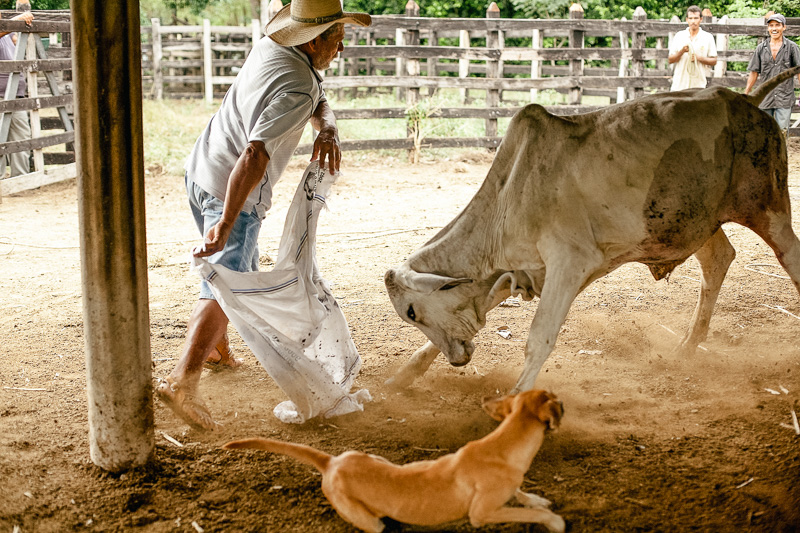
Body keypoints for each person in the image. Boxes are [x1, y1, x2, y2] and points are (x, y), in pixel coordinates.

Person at [156, 0, 371, 431]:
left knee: (234, 272)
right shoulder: (297, 86)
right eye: (337, 38)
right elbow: (255, 153)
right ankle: (182, 381)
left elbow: (319, 98)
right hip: (231, 185)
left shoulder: (271, 49)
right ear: (312, 41)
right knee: (226, 281)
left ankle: (216, 349)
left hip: (202, 167)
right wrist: (228, 221)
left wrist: (326, 125)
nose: (341, 48)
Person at [744, 13, 800, 135]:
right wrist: (746, 93)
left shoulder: (792, 48)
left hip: (784, 97)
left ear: (784, 27)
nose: (774, 28)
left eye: (777, 25)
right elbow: (754, 72)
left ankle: (781, 154)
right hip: (765, 97)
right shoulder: (760, 48)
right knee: (763, 131)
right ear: (768, 28)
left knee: (782, 132)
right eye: (771, 26)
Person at [0, 3, 34, 177]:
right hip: (0, 98)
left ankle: (21, 179)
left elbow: (17, 38)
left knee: (22, 139)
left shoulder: (7, 33)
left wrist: (24, 21)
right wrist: (17, 19)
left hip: (17, 95)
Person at [668, 5, 718, 91]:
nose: (693, 21)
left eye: (696, 18)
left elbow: (714, 61)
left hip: (698, 85)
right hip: (679, 85)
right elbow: (670, 60)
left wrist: (698, 58)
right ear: (687, 19)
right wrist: (682, 51)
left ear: (701, 19)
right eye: (690, 18)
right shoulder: (679, 36)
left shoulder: (707, 37)